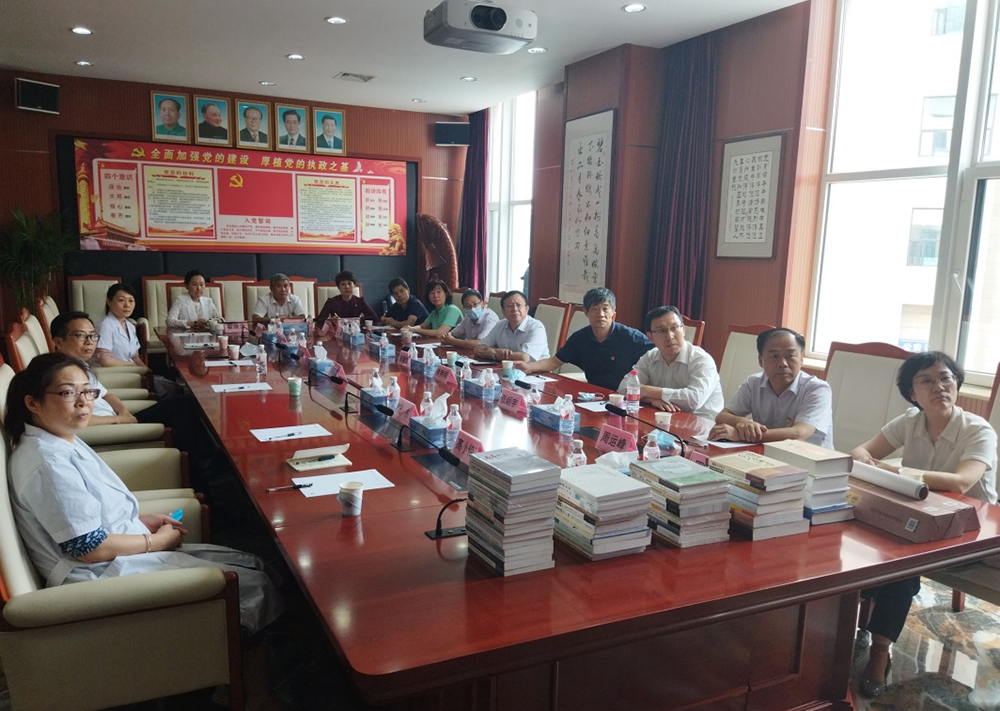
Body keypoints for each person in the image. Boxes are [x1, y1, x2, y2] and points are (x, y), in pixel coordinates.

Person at [3, 352, 283, 635]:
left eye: (87, 391)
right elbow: (88, 548)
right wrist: (155, 541)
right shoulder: (47, 463)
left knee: (253, 563)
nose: (83, 401)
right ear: (32, 403)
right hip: (102, 579)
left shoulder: (59, 440)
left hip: (116, 557)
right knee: (252, 585)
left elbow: (86, 514)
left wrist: (139, 520)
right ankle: (241, 654)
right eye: (67, 393)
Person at [850, 351, 996, 698]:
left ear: (957, 384)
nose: (939, 387)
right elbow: (860, 452)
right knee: (862, 536)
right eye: (926, 380)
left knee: (901, 561)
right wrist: (867, 460)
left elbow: (962, 482)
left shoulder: (978, 430)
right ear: (912, 393)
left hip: (970, 531)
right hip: (922, 519)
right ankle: (845, 620)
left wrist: (897, 471)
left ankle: (880, 650)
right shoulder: (910, 421)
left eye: (946, 378)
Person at [710, 327, 833, 447]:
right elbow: (722, 416)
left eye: (790, 356)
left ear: (801, 359)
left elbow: (798, 434)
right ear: (760, 360)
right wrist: (742, 422)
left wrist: (741, 435)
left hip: (809, 458)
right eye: (774, 356)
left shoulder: (817, 389)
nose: (783, 364)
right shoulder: (753, 383)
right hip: (766, 454)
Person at [522, 287, 653, 391]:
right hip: (593, 395)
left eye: (605, 309)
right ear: (586, 312)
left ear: (613, 311)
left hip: (626, 397)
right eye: (595, 309)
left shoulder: (631, 337)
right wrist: (527, 367)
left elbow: (655, 358)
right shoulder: (580, 338)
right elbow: (553, 362)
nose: (600, 314)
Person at [615, 305, 723, 418]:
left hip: (702, 423)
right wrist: (651, 399)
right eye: (661, 331)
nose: (670, 336)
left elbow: (694, 400)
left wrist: (646, 390)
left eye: (674, 328)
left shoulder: (701, 360)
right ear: (650, 337)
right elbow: (623, 387)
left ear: (683, 329)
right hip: (667, 418)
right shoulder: (651, 356)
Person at [474, 290, 549, 363]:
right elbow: (478, 349)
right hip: (507, 368)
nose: (515, 309)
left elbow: (524, 358)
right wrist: (498, 351)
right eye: (510, 306)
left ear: (526, 309)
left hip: (535, 370)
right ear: (503, 312)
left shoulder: (536, 327)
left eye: (518, 305)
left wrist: (494, 353)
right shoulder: (500, 325)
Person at [95, 284, 145, 368]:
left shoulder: (130, 327)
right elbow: (105, 361)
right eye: (121, 300)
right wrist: (132, 365)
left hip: (131, 371)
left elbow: (135, 357)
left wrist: (147, 370)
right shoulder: (105, 325)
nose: (127, 305)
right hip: (115, 372)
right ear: (109, 302)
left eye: (131, 301)